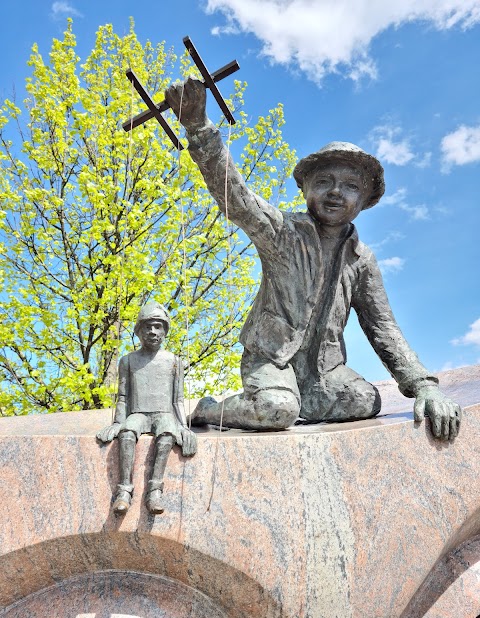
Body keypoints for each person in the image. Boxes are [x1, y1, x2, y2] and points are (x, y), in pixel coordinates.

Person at [165, 78, 461, 441]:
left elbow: (383, 329)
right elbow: (236, 197)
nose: (336, 192)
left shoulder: (362, 260)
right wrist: (199, 128)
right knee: (277, 410)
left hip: (325, 373)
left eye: (351, 186)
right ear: (305, 190)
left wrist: (423, 386)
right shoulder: (283, 233)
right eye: (324, 182)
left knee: (364, 400)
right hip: (272, 360)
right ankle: (213, 409)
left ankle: (295, 402)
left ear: (365, 200)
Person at [96, 301, 197, 515]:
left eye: (158, 326)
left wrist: (184, 427)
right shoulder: (128, 361)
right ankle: (124, 491)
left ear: (165, 331)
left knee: (167, 434)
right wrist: (117, 422)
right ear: (139, 331)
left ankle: (155, 491)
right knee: (127, 433)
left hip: (164, 414)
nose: (152, 331)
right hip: (138, 413)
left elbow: (178, 399)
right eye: (147, 326)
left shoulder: (174, 361)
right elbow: (123, 396)